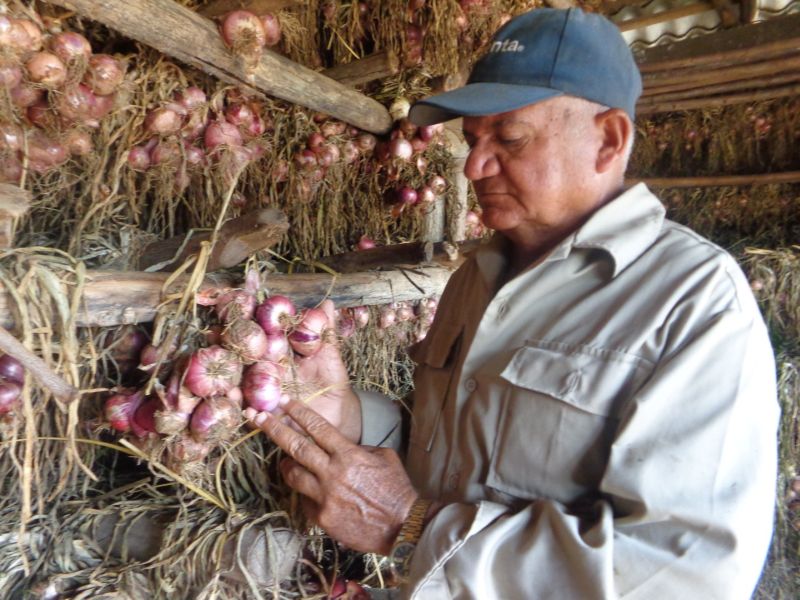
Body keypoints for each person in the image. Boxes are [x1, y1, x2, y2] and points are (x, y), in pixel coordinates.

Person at [244, 8, 780, 599]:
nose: (474, 165)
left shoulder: (693, 303)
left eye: (511, 138)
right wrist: (348, 417)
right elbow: (450, 451)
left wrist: (415, 526)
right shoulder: (475, 278)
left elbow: (686, 573)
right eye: (473, 140)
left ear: (609, 140)